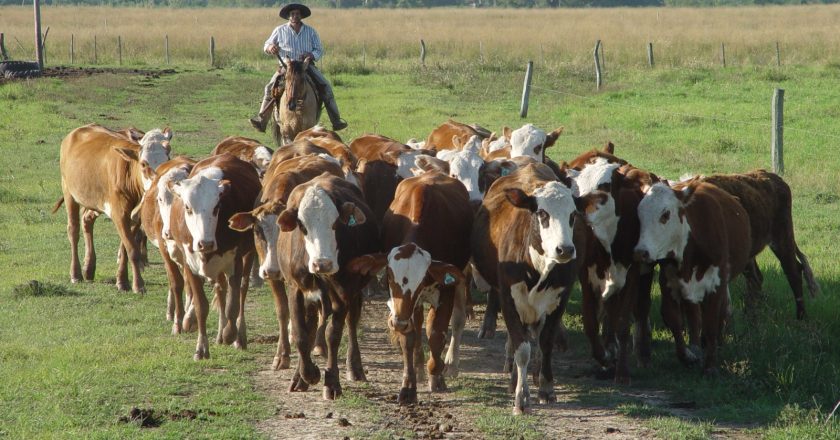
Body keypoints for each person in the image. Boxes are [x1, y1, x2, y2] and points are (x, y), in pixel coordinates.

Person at [249, 3, 347, 132]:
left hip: (305, 66)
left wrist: (311, 54)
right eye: (292, 14)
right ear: (289, 16)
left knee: (326, 87)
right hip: (286, 66)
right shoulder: (279, 30)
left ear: (301, 16)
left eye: (297, 14)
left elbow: (319, 49)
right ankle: (262, 120)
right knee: (269, 88)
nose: (295, 16)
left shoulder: (311, 31)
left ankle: (336, 121)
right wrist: (270, 48)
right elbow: (266, 45)